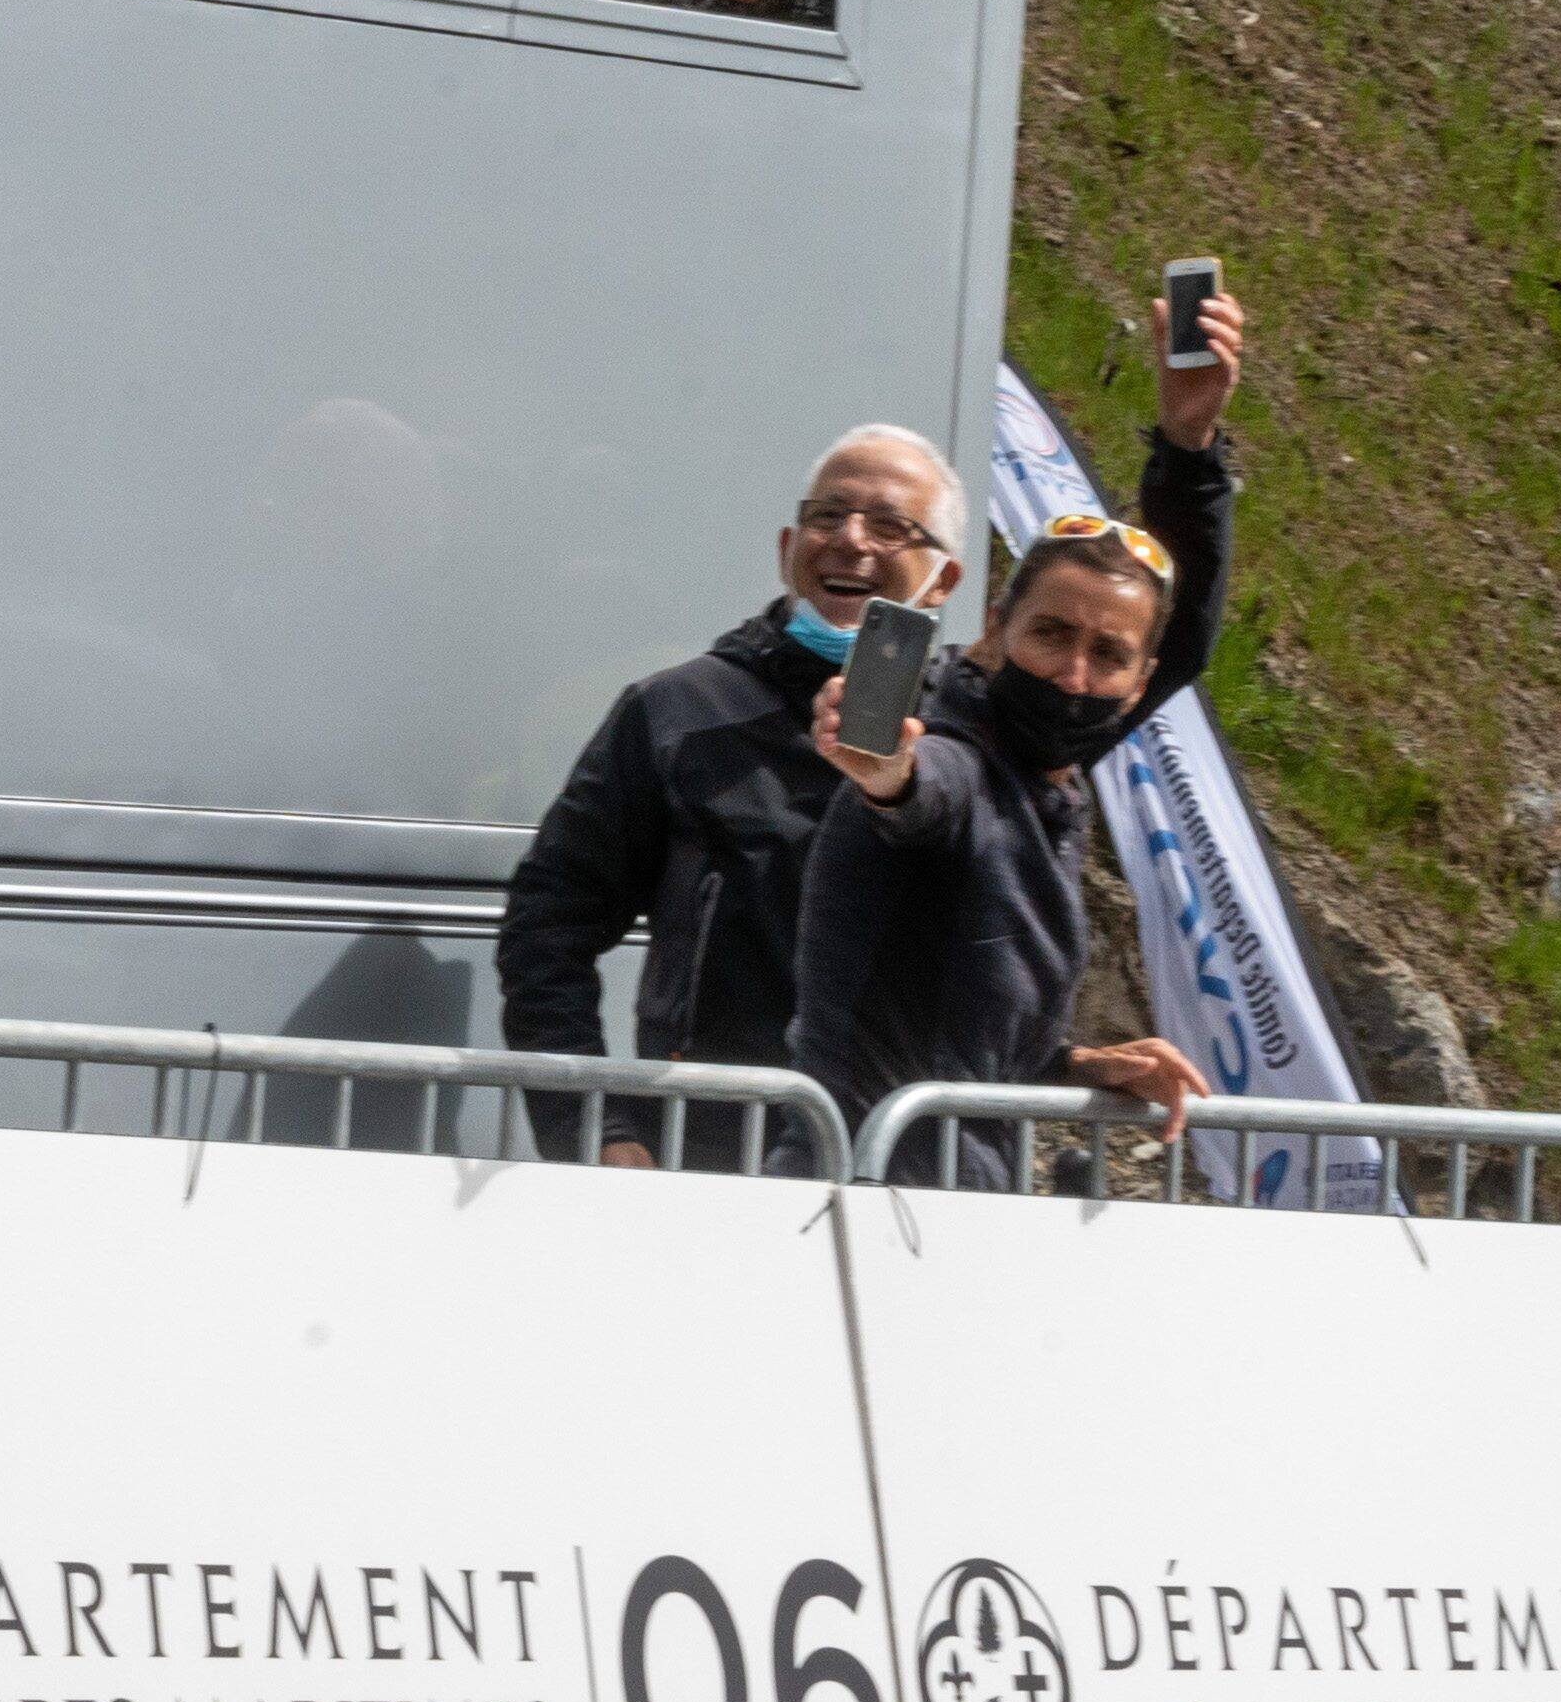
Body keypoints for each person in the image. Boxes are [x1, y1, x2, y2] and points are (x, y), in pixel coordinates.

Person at [499, 326, 1238, 1161]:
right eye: (828, 517)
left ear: (949, 581)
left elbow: (1150, 639)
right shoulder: (675, 713)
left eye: (892, 527)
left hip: (916, 1178)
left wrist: (1188, 449)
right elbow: (546, 934)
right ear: (788, 550)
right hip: (714, 1163)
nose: (852, 540)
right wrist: (600, 1130)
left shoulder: (1000, 719)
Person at [787, 476, 1246, 1194]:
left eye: (1108, 654)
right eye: (1052, 634)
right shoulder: (959, 758)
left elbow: (964, 1042)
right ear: (997, 628)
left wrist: (1083, 1066)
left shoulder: (1045, 783)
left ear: (1141, 680)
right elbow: (919, 793)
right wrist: (885, 771)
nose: (1073, 675)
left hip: (958, 1204)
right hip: (856, 1197)